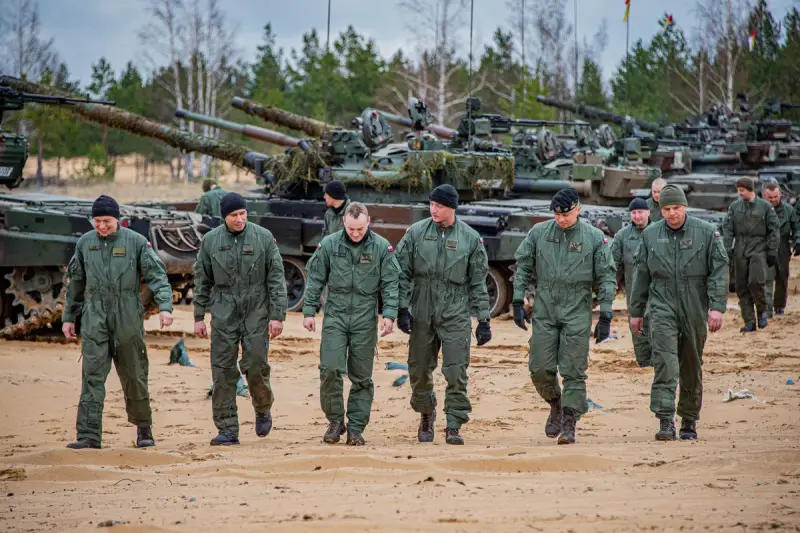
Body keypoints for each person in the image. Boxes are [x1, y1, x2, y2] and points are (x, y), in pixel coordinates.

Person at [62, 195, 174, 450]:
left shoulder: (135, 242)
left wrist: (165, 307)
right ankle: (88, 435)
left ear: (118, 220)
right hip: (94, 315)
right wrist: (69, 317)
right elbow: (76, 283)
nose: (102, 226)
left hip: (127, 314)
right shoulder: (85, 243)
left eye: (108, 221)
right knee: (92, 375)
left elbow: (157, 276)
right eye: (98, 221)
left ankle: (144, 430)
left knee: (134, 373)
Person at [511, 188, 616, 445]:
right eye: (556, 214)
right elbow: (523, 263)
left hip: (577, 307)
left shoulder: (593, 237)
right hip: (545, 306)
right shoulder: (539, 233)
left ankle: (569, 422)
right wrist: (516, 299)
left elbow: (606, 275)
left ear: (578, 209)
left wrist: (605, 314)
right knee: (539, 368)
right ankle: (556, 403)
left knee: (573, 369)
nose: (560, 219)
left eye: (566, 214)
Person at [629, 185, 729, 441]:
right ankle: (665, 420)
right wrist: (636, 312)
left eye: (676, 208)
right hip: (661, 306)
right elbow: (641, 274)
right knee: (665, 363)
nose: (672, 213)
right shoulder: (650, 235)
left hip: (694, 306)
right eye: (666, 209)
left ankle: (689, 420)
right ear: (659, 210)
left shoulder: (706, 233)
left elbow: (719, 271)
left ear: (685, 206)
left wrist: (716, 307)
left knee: (691, 365)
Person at [395, 184, 492, 445]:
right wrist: (402, 308)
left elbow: (478, 282)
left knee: (456, 370)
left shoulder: (470, 239)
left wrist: (483, 319)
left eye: (439, 206)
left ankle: (454, 425)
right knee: (418, 369)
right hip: (422, 307)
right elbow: (401, 272)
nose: (434, 210)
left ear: (452, 207)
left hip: (455, 308)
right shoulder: (416, 233)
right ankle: (426, 413)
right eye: (431, 205)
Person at [193, 192, 287, 446]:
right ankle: (227, 429)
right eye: (234, 215)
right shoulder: (211, 241)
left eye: (243, 213)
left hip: (256, 307)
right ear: (224, 216)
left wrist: (278, 316)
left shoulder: (263, 237)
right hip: (223, 310)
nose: (239, 219)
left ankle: (262, 406)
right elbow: (202, 280)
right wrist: (199, 316)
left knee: (256, 363)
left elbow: (276, 278)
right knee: (222, 370)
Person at [302, 202, 400, 445]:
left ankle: (356, 427)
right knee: (330, 369)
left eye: (360, 229)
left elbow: (390, 283)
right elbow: (315, 278)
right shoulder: (330, 244)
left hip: (365, 318)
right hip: (335, 314)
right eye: (351, 229)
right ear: (344, 223)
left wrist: (389, 314)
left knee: (361, 376)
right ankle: (335, 421)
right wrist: (309, 311)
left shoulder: (380, 247)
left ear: (368, 223)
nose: (355, 234)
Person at [722, 177, 779, 332]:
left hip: (759, 248)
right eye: (738, 190)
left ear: (750, 189)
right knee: (741, 287)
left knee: (755, 282)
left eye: (742, 190)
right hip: (740, 249)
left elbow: (774, 230)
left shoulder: (765, 207)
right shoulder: (735, 207)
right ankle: (749, 321)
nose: (739, 193)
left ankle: (762, 311)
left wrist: (772, 251)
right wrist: (727, 250)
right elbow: (727, 229)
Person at [610, 198, 653, 367]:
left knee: (657, 323)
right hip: (634, 288)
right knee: (637, 324)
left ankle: (658, 361)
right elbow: (613, 263)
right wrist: (610, 285)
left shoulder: (659, 231)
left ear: (648, 212)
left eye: (640, 212)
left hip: (658, 287)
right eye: (634, 213)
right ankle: (643, 362)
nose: (637, 216)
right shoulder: (622, 236)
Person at [762, 182, 800, 317]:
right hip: (764, 247)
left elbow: (797, 226)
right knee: (766, 278)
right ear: (764, 196)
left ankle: (779, 306)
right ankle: (766, 308)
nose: (773, 200)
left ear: (780, 195)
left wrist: (798, 240)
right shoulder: (759, 210)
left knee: (782, 277)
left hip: (783, 247)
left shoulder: (789, 210)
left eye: (775, 197)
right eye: (770, 197)